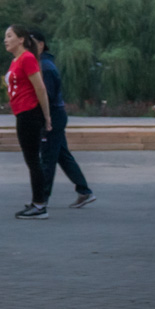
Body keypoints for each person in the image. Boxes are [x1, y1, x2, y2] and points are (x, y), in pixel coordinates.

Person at [30, 30, 96, 208]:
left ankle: (41, 200)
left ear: (41, 44)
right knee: (62, 155)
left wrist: (43, 118)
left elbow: (47, 96)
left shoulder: (45, 67)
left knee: (47, 160)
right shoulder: (43, 64)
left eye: (31, 42)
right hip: (55, 115)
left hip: (51, 116)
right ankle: (84, 191)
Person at [5, 25, 54, 219]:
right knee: (31, 160)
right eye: (5, 37)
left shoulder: (27, 58)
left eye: (9, 36)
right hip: (22, 113)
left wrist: (47, 117)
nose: (6, 40)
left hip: (30, 113)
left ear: (21, 39)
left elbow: (40, 88)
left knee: (33, 160)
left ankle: (40, 205)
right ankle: (37, 200)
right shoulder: (16, 60)